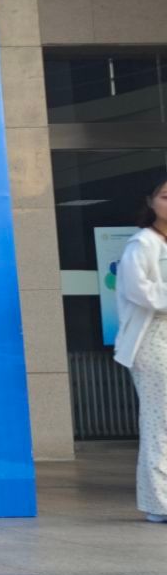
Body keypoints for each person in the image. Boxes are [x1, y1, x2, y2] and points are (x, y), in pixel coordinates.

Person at [115, 175, 167, 524]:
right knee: (160, 420)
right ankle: (159, 503)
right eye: (165, 196)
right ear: (151, 202)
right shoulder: (142, 243)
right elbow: (139, 291)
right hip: (154, 336)